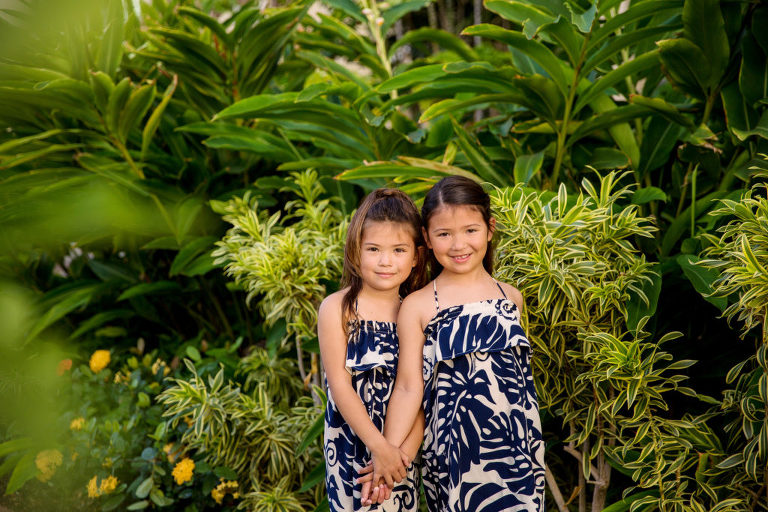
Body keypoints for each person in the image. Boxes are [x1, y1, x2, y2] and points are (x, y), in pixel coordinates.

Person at [367, 176, 545, 511]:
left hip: (519, 452)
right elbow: (408, 388)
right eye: (444, 233)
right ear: (427, 239)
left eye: (470, 230)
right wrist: (388, 455)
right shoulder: (419, 306)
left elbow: (519, 384)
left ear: (490, 229)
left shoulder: (511, 298)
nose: (458, 244)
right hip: (454, 456)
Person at [318, 188, 426, 512]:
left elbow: (420, 393)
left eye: (398, 250)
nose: (385, 261)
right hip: (353, 448)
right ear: (355, 250)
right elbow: (339, 384)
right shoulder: (338, 308)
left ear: (416, 256)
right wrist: (378, 448)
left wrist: (398, 457)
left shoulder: (416, 311)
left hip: (402, 458)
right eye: (374, 249)